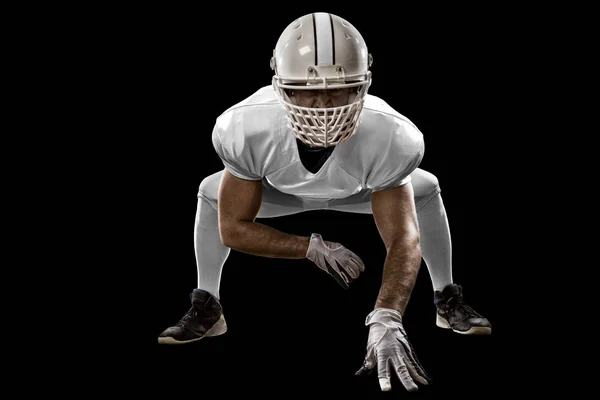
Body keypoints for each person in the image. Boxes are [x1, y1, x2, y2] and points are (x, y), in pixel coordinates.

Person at [157, 12, 491, 392]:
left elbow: (403, 238)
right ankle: (209, 303)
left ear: (363, 84)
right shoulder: (246, 126)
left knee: (426, 187)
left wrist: (387, 314)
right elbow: (233, 228)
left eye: (341, 88)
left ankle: (445, 296)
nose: (322, 104)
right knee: (212, 191)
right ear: (279, 85)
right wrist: (308, 248)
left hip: (359, 191)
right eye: (304, 89)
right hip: (280, 193)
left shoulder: (392, 135)